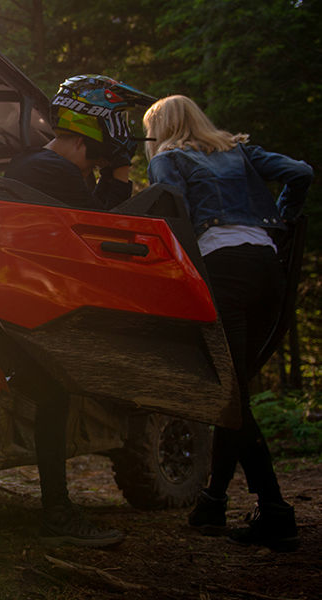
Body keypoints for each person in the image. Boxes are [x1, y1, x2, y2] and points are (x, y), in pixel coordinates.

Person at [144, 95, 313, 552]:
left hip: (224, 272)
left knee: (229, 396)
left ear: (160, 127)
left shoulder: (168, 159)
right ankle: (213, 502)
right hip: (267, 268)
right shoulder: (237, 151)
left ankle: (274, 510)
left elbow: (168, 215)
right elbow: (301, 172)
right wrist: (281, 221)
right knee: (234, 392)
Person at [3, 74, 154, 547]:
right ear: (96, 125)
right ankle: (57, 516)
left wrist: (111, 174)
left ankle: (57, 512)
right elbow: (106, 230)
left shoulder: (34, 165)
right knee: (53, 396)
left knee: (53, 395)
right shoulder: (55, 172)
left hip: (17, 297)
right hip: (28, 306)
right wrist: (120, 173)